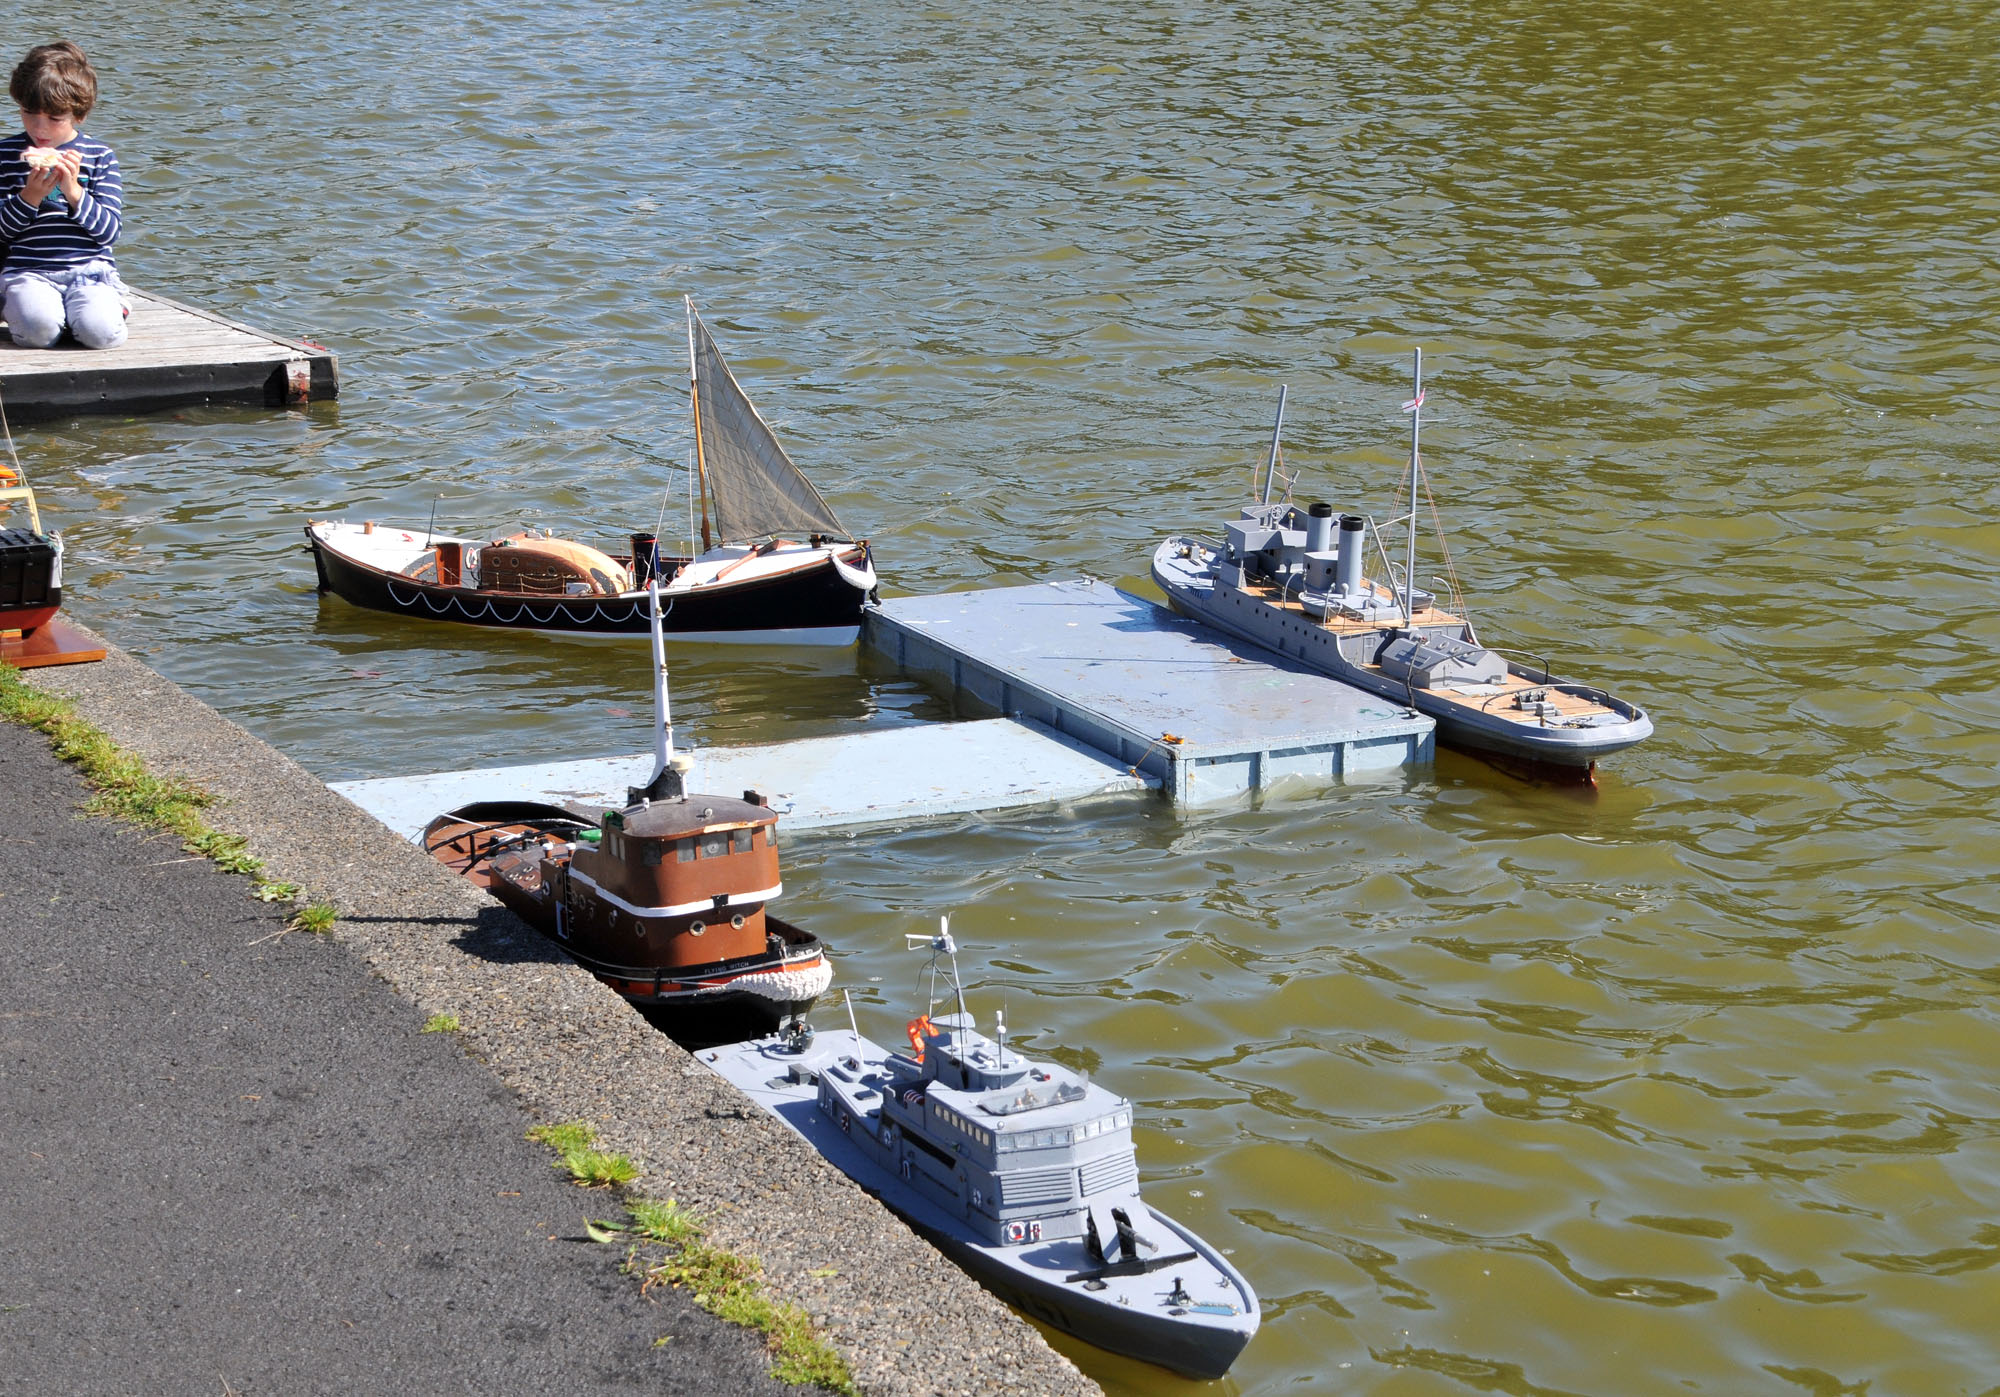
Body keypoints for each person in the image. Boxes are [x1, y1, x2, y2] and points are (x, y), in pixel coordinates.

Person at [0, 42, 124, 349]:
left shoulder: (100, 157)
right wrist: (29, 196)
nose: (39, 128)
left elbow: (109, 233)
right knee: (37, 332)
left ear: (78, 115)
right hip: (29, 270)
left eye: (55, 119)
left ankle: (110, 307)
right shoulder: (5, 155)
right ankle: (42, 312)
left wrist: (74, 192)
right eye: (30, 113)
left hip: (90, 271)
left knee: (100, 335)